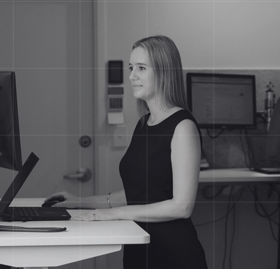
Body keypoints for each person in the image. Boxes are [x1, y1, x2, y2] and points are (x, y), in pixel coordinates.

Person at [45, 35, 208, 269]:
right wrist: (82, 202)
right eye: (131, 68)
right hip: (140, 246)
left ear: (164, 72)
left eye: (141, 68)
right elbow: (140, 191)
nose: (132, 76)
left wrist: (115, 214)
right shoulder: (144, 124)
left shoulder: (183, 127)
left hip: (173, 254)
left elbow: (181, 206)